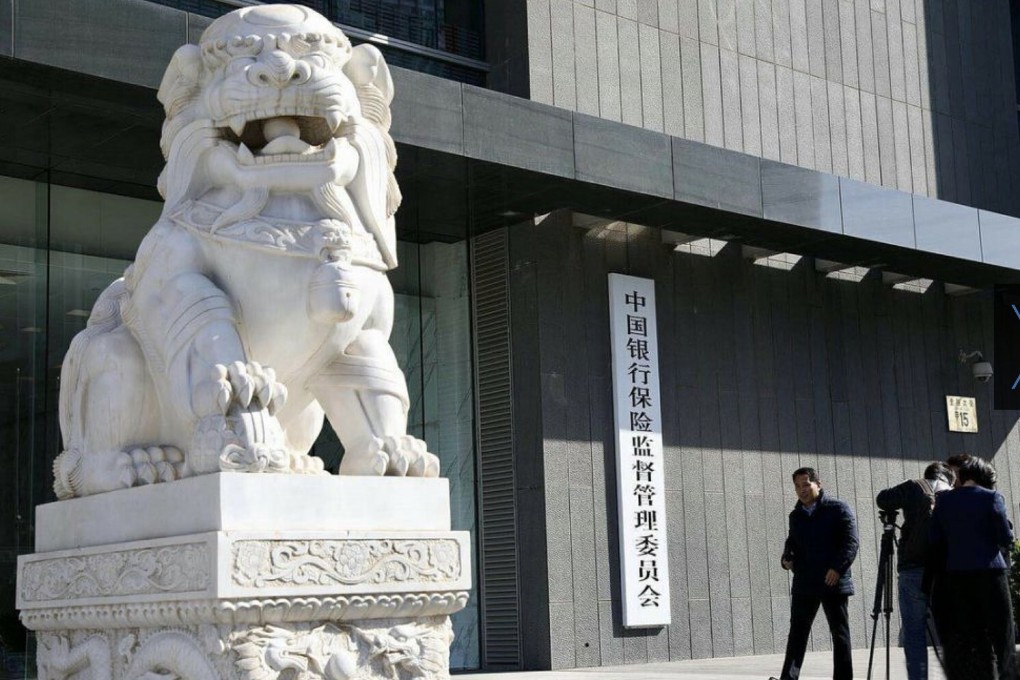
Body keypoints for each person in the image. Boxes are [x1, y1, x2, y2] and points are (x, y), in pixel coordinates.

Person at [928, 456, 1015, 680]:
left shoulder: (944, 501)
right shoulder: (992, 497)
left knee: (974, 635)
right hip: (990, 573)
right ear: (982, 476)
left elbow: (935, 538)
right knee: (1001, 631)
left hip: (958, 576)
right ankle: (1006, 675)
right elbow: (1005, 538)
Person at [770, 468, 859, 680]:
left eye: (806, 484)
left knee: (839, 635)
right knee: (797, 635)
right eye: (797, 486)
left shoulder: (838, 509)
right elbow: (792, 542)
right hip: (805, 582)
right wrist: (786, 558)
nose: (802, 490)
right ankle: (788, 678)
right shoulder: (796, 515)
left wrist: (837, 568)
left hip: (833, 581)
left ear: (818, 484)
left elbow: (851, 543)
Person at [876, 462, 954, 680]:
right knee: (951, 631)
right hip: (946, 572)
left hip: (913, 569)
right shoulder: (954, 494)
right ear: (950, 478)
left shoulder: (914, 487)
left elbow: (882, 498)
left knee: (914, 633)